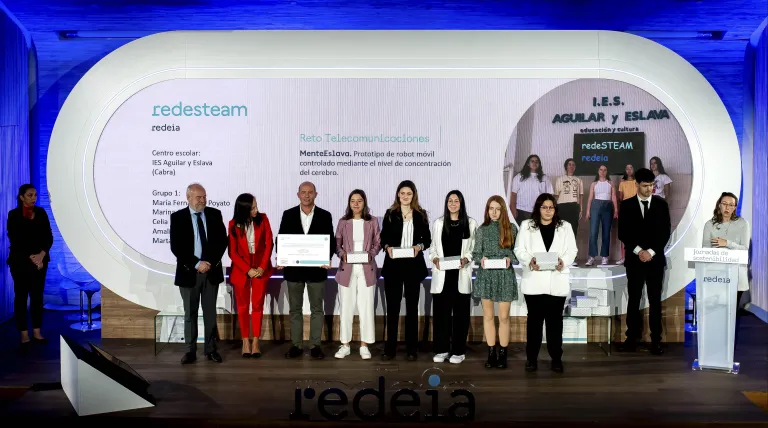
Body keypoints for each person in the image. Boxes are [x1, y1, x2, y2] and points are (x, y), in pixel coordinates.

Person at [514, 194, 578, 373]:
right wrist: (529, 260)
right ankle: (531, 359)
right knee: (534, 323)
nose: (548, 211)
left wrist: (563, 261)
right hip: (534, 281)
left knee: (555, 323)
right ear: (538, 208)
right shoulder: (527, 226)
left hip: (556, 281)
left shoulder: (565, 227)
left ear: (555, 209)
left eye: (551, 207)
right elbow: (519, 249)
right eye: (544, 207)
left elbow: (572, 250)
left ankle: (556, 358)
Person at [170, 183, 229, 364]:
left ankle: (210, 349)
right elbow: (176, 247)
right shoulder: (178, 217)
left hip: (210, 272)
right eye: (198, 197)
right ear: (188, 198)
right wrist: (196, 264)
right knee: (190, 313)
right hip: (189, 273)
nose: (202, 200)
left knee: (210, 313)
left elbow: (222, 241)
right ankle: (190, 351)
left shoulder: (214, 214)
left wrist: (208, 263)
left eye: (204, 197)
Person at [278, 182, 335, 360]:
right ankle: (296, 345)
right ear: (298, 194)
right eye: (303, 192)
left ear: (316, 194)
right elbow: (280, 239)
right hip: (294, 271)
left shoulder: (325, 215)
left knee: (317, 309)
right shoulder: (288, 214)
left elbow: (330, 242)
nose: (307, 195)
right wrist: (282, 257)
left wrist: (326, 257)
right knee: (295, 310)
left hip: (316, 271)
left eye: (310, 192)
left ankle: (315, 346)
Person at [617, 168, 671, 355]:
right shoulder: (626, 205)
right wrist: (639, 251)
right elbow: (623, 233)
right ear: (637, 185)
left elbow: (665, 232)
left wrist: (651, 252)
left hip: (655, 261)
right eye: (646, 185)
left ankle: (656, 340)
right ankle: (632, 338)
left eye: (652, 185)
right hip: (634, 260)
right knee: (634, 299)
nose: (650, 189)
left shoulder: (661, 205)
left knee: (655, 300)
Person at [380, 180, 431, 361]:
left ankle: (411, 349)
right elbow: (383, 238)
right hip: (393, 266)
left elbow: (428, 240)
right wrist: (387, 247)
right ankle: (390, 348)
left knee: (411, 309)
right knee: (392, 309)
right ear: (398, 194)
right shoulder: (390, 214)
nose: (405, 197)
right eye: (402, 193)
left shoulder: (420, 214)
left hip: (413, 267)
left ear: (413, 195)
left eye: (408, 194)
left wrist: (419, 246)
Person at [429, 190, 477, 365]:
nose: (453, 203)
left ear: (461, 203)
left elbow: (473, 249)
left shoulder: (470, 223)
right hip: (442, 276)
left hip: (461, 276)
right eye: (450, 200)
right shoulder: (438, 223)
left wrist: (467, 259)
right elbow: (432, 248)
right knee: (441, 316)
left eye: (456, 200)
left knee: (461, 316)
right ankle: (441, 349)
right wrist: (435, 259)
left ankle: (458, 351)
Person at [333, 189, 381, 360]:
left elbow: (378, 242)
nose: (356, 203)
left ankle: (364, 345)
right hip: (347, 269)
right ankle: (345, 344)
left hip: (366, 268)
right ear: (349, 203)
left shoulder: (372, 221)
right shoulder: (343, 222)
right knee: (345, 307)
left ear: (364, 202)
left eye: (359, 200)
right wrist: (341, 254)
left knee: (366, 307)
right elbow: (336, 244)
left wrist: (371, 254)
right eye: (353, 200)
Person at [472, 195, 518, 369]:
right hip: (486, 276)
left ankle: (503, 353)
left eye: (497, 208)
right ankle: (491, 352)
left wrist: (508, 258)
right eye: (491, 208)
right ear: (487, 210)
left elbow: (517, 254)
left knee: (504, 317)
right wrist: (481, 259)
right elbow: (476, 254)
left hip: (505, 276)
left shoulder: (511, 229)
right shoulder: (482, 230)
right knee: (489, 316)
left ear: (503, 210)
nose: (494, 212)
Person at [6, 184, 53, 346]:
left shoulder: (41, 213)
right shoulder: (13, 215)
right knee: (21, 296)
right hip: (20, 261)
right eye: (30, 195)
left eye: (35, 195)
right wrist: (32, 257)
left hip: (40, 261)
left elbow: (49, 237)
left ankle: (37, 332)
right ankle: (24, 334)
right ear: (21, 197)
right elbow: (16, 239)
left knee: (37, 296)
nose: (34, 198)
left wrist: (41, 255)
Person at [228, 193, 273, 358]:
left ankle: (256, 341)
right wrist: (247, 269)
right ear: (244, 209)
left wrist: (261, 266)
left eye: (256, 206)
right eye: (252, 207)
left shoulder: (264, 219)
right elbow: (232, 252)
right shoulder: (233, 224)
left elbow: (269, 243)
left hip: (261, 266)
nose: (256, 210)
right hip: (242, 269)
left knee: (258, 305)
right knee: (242, 306)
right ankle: (245, 340)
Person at [702, 192, 751, 338]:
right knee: (715, 314)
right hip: (715, 276)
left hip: (736, 276)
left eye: (731, 205)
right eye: (724, 203)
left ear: (735, 207)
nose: (727, 207)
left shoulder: (742, 224)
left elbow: (744, 250)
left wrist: (726, 243)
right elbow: (704, 250)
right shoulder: (710, 224)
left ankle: (727, 348)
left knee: (730, 315)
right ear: (719, 204)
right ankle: (713, 343)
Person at [585, 165, 618, 266]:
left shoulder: (611, 183)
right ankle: (591, 256)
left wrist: (616, 210)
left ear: (607, 172)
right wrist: (587, 211)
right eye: (601, 170)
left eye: (605, 170)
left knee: (606, 232)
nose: (603, 171)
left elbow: (613, 197)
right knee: (593, 232)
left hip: (607, 206)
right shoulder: (594, 184)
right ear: (598, 171)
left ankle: (604, 257)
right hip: (595, 205)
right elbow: (590, 198)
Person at [509, 154, 554, 225]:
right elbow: (513, 194)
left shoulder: (545, 178)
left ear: (539, 164)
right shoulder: (519, 176)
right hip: (521, 211)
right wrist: (513, 210)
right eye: (532, 161)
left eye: (537, 161)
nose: (534, 163)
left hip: (537, 211)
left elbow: (549, 196)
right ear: (528, 163)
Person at [616, 164, 637, 265]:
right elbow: (620, 198)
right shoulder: (622, 183)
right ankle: (623, 257)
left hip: (636, 209)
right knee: (624, 234)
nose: (629, 170)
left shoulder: (637, 182)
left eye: (631, 168)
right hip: (625, 210)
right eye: (627, 168)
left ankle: (635, 256)